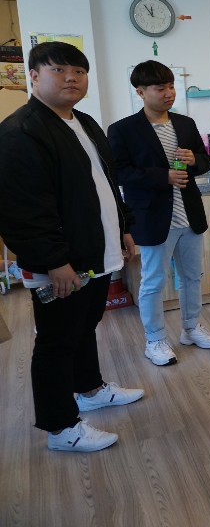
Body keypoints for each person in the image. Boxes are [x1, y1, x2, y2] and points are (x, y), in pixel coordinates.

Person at [0, 42, 143, 452]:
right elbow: (22, 210)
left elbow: (105, 186)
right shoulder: (20, 132)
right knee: (56, 341)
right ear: (33, 76)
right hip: (61, 263)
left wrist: (123, 228)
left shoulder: (84, 122)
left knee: (84, 327)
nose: (71, 78)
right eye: (58, 70)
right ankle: (60, 427)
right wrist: (54, 261)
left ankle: (90, 388)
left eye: (79, 71)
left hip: (93, 252)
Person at [108, 60, 210, 367]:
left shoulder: (185, 124)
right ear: (141, 92)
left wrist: (194, 160)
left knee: (192, 277)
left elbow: (204, 161)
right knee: (153, 281)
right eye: (160, 88)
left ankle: (191, 328)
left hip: (189, 215)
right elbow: (119, 173)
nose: (169, 93)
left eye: (171, 86)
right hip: (154, 218)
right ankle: (155, 340)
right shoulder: (123, 130)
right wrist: (163, 176)